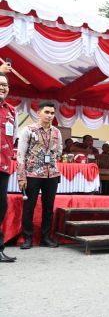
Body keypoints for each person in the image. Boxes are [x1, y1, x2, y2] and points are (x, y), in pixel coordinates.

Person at [17, 101, 63, 249]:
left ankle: (45, 238)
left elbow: (60, 150)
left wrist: (51, 153)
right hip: (32, 174)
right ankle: (28, 238)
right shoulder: (28, 130)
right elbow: (20, 154)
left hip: (52, 174)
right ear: (39, 112)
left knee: (48, 208)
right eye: (47, 112)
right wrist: (21, 176)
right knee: (29, 207)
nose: (50, 116)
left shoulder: (56, 132)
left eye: (52, 113)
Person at [0, 71, 16, 262]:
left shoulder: (12, 111)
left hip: (3, 165)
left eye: (5, 85)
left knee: (1, 205)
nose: (2, 87)